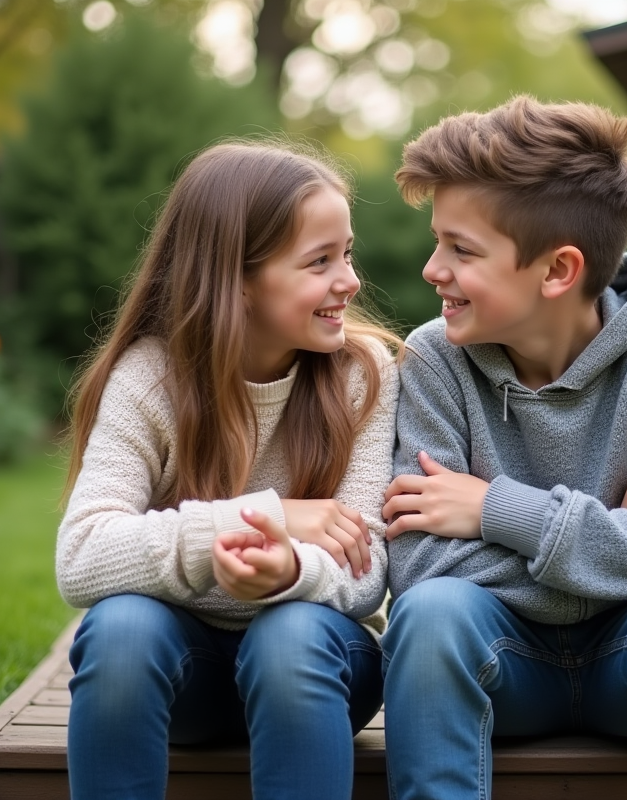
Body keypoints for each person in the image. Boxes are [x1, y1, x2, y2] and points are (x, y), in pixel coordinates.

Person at [379, 96, 627, 800]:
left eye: (462, 249)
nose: (432, 268)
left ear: (557, 271)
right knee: (430, 617)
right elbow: (419, 563)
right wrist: (623, 524)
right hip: (499, 667)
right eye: (437, 242)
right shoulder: (435, 359)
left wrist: (498, 511)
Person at [56, 141, 400, 800]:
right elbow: (82, 554)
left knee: (289, 638)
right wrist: (269, 518)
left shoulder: (363, 376)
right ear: (237, 279)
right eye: (320, 261)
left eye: (347, 253)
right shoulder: (150, 379)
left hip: (317, 668)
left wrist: (291, 571)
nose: (350, 280)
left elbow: (366, 573)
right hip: (183, 677)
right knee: (120, 629)